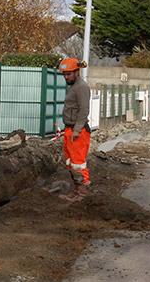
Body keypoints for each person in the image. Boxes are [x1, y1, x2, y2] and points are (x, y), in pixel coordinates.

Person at [58, 57, 92, 199]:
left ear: (76, 72)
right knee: (69, 161)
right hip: (70, 130)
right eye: (64, 74)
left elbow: (84, 110)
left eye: (69, 74)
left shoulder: (81, 87)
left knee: (78, 163)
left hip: (78, 131)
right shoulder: (74, 86)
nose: (66, 77)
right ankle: (77, 189)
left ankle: (82, 192)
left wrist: (77, 130)